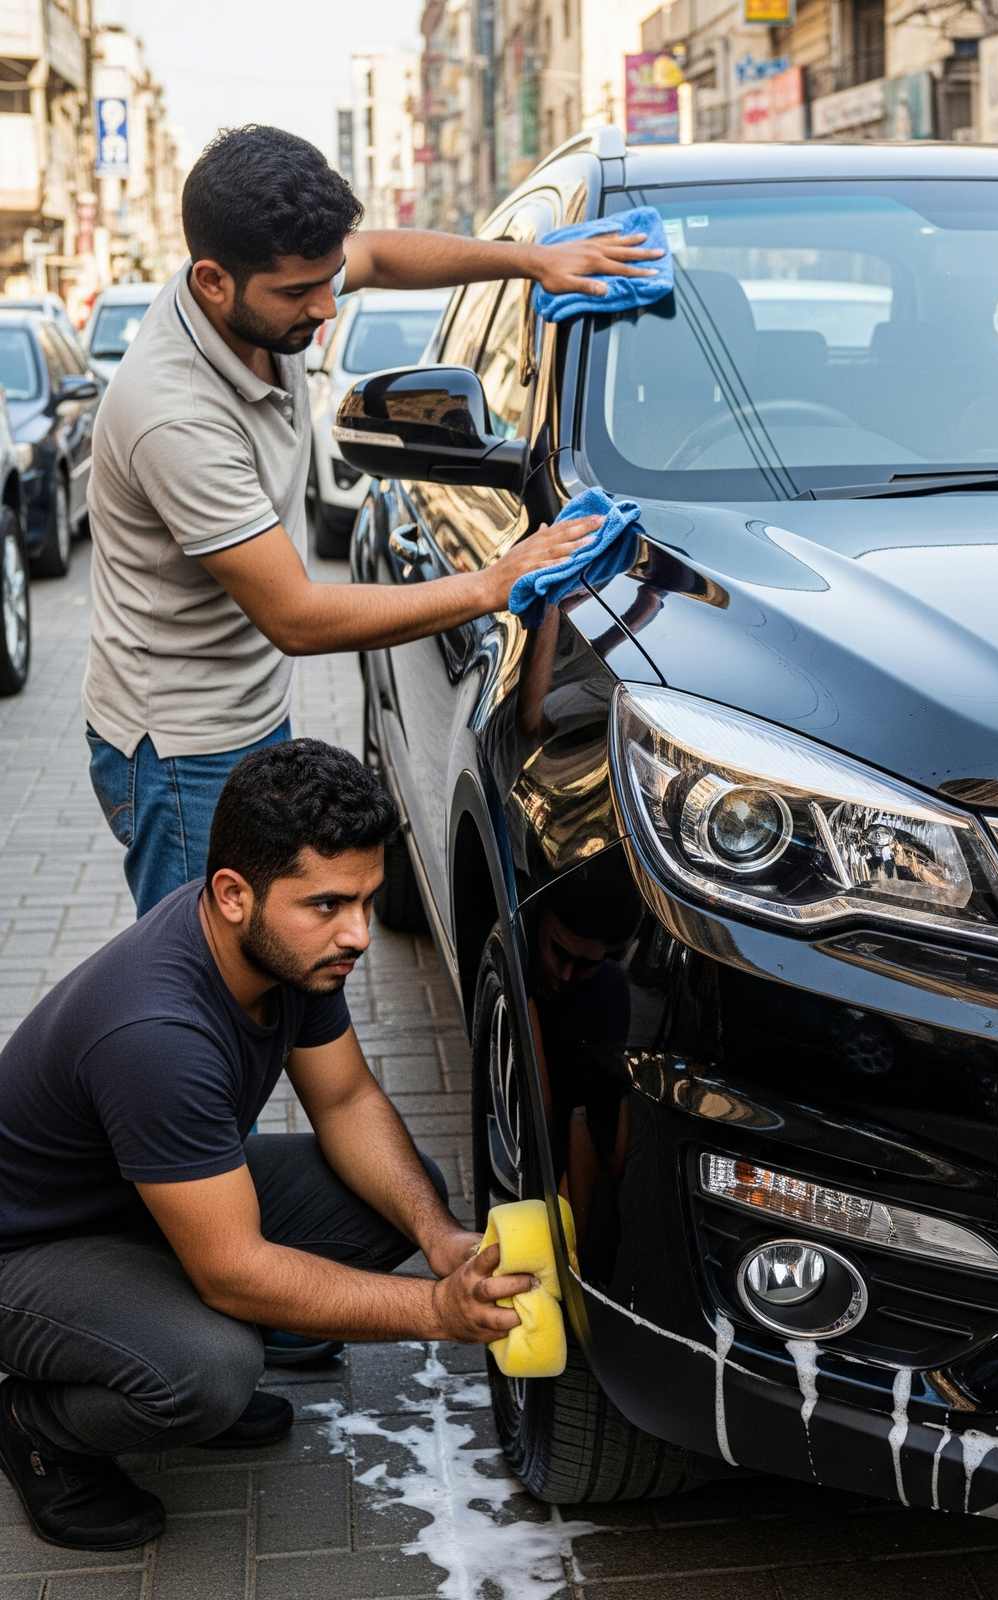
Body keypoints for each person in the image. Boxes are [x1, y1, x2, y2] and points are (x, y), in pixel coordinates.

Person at [83, 124, 659, 914]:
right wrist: (496, 582)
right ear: (213, 281)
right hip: (184, 749)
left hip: (245, 703)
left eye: (328, 280)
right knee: (204, 993)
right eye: (299, 293)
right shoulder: (172, 414)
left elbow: (379, 257)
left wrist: (531, 261)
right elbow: (296, 614)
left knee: (270, 966)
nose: (326, 308)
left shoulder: (265, 285)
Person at [0, 740, 537, 1552]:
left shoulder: (287, 954)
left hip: (141, 1205)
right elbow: (232, 1267)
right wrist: (434, 1311)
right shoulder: (157, 1034)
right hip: (29, 1249)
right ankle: (36, 1424)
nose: (357, 934)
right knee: (208, 1370)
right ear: (232, 894)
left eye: (367, 899)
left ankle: (190, 1331)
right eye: (327, 904)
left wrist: (440, 1240)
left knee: (400, 1194)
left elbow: (349, 1100)